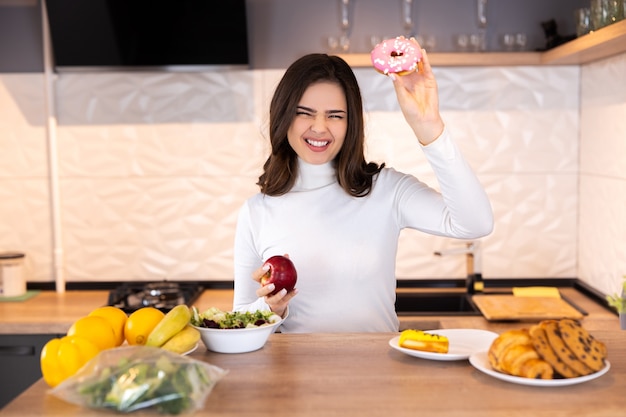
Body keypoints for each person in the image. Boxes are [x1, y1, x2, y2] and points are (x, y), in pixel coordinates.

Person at [233, 41, 493, 333]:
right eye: (304, 112)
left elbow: (475, 223)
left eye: (335, 115)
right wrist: (270, 309)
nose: (319, 127)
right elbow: (240, 316)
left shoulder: (387, 190)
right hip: (295, 377)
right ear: (284, 117)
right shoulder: (257, 211)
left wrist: (429, 126)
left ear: (351, 122)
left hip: (380, 375)